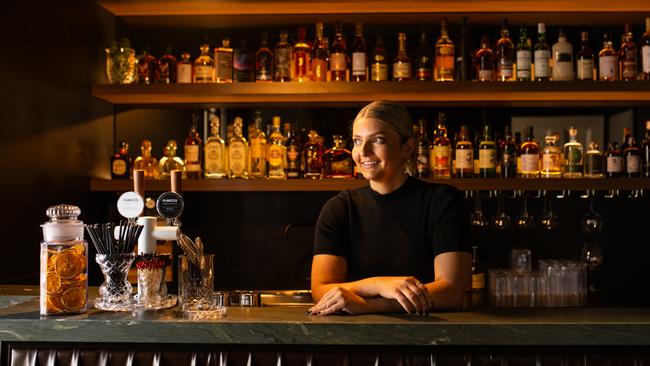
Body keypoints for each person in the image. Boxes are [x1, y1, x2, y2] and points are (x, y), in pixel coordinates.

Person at [309, 100, 471, 316]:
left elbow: (452, 291)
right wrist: (378, 285)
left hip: (433, 341)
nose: (363, 152)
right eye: (357, 141)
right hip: (351, 342)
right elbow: (321, 290)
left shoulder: (442, 201)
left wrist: (369, 305)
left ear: (407, 147)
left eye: (378, 140)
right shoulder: (339, 208)